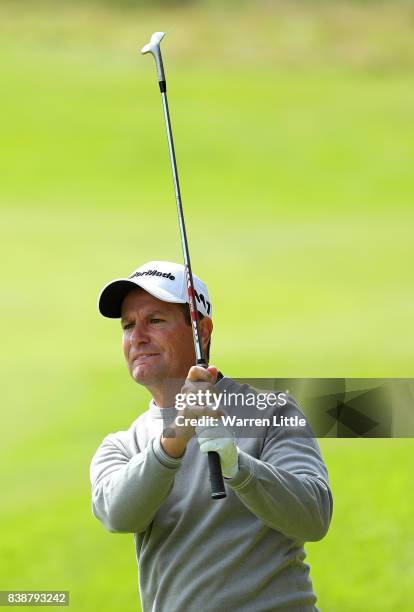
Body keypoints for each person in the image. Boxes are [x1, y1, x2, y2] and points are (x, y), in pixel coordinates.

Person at [90, 260, 333, 612]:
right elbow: (119, 515)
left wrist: (238, 466)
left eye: (155, 321)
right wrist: (174, 439)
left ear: (201, 332)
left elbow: (314, 516)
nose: (138, 337)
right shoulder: (123, 445)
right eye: (128, 326)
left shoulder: (271, 411)